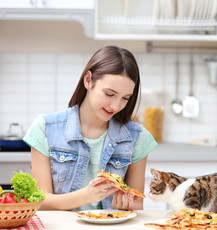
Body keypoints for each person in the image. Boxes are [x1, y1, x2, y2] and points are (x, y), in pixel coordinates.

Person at [23, 45, 157, 211]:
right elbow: (40, 203)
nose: (115, 106)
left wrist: (126, 206)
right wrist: (85, 196)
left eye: (125, 98)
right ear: (88, 80)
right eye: (109, 94)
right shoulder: (44, 129)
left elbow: (137, 204)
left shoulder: (137, 137)